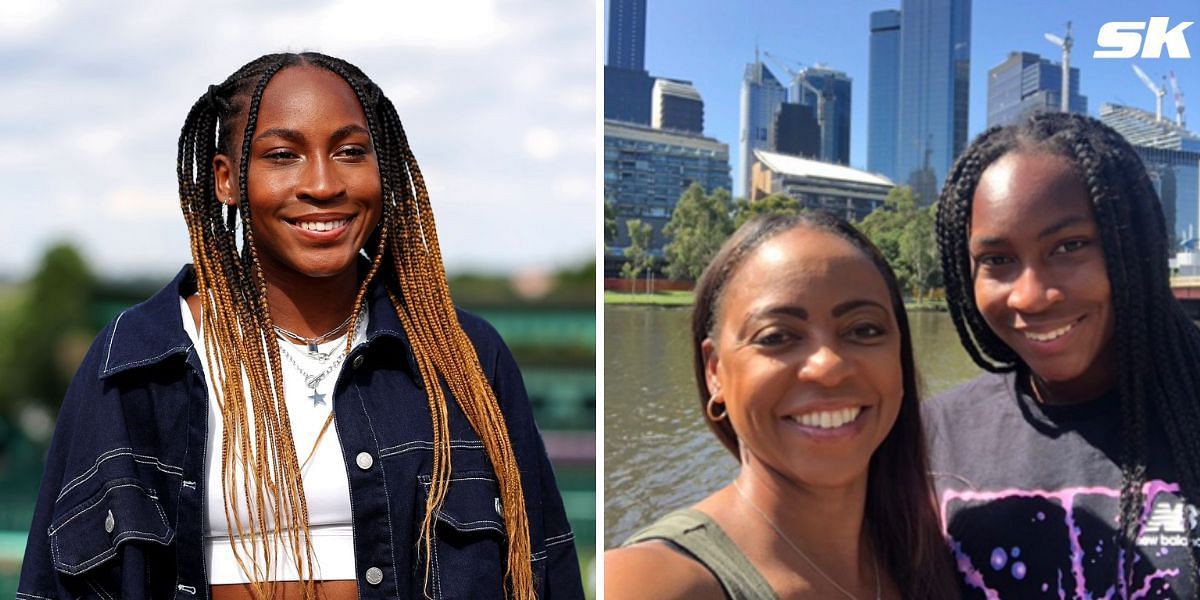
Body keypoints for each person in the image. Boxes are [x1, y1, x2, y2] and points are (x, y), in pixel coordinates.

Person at [17, 52, 583, 600]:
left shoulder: (463, 359)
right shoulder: (137, 363)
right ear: (225, 180)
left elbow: (546, 564)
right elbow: (54, 583)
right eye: (283, 155)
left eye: (351, 152)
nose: (322, 183)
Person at [605, 213, 958, 599]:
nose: (829, 367)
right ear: (715, 372)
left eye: (864, 330)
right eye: (776, 336)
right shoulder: (647, 583)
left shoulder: (933, 556)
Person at [927, 112, 1200, 598]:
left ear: (1132, 247)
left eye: (1069, 246)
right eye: (997, 260)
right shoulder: (932, 436)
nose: (1030, 296)